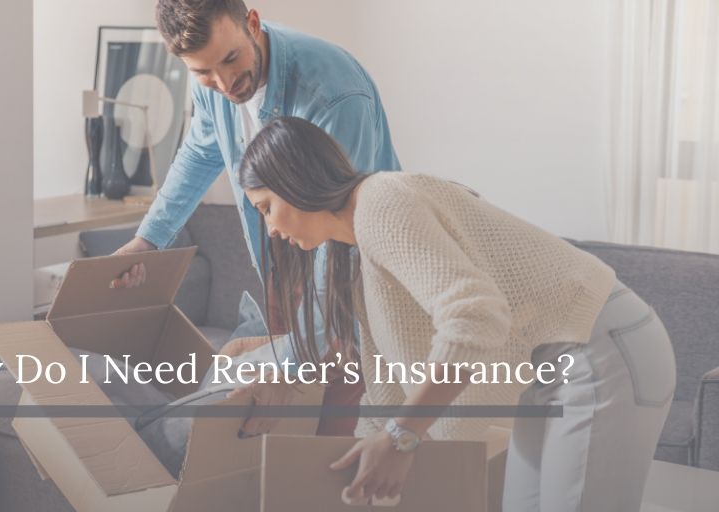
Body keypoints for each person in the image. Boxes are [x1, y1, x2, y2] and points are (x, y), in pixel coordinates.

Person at [238, 116, 676, 511]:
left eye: (267, 209)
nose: (272, 230)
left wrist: (399, 437)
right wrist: (367, 460)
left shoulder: (381, 201)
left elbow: (474, 316)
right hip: (548, 374)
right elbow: (386, 389)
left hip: (602, 349)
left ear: (295, 180)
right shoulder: (352, 258)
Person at [112, 0, 400, 435]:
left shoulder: (335, 93)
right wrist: (149, 238)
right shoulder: (209, 76)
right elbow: (200, 151)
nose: (224, 83)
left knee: (334, 408)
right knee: (270, 420)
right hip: (282, 257)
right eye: (204, 72)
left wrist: (291, 366)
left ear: (252, 23)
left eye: (231, 59)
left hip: (347, 263)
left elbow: (340, 232)